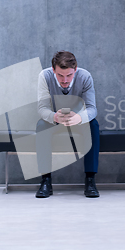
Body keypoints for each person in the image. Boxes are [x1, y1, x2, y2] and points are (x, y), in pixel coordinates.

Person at [35, 51, 100, 198]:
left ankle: (90, 180)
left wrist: (79, 118)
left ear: (75, 70)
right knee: (41, 126)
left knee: (93, 126)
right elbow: (42, 108)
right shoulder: (44, 76)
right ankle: (45, 180)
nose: (65, 80)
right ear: (53, 70)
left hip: (78, 119)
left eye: (69, 75)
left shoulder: (85, 76)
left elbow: (92, 108)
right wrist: (55, 117)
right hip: (55, 119)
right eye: (60, 75)